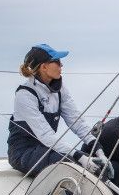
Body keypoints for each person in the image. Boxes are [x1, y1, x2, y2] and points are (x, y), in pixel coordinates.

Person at [8, 44, 110, 177]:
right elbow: (46, 135)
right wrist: (79, 156)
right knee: (72, 166)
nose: (61, 65)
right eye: (57, 62)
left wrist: (98, 150)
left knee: (103, 166)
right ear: (44, 67)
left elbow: (76, 122)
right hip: (24, 154)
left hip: (49, 149)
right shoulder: (25, 94)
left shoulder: (60, 90)